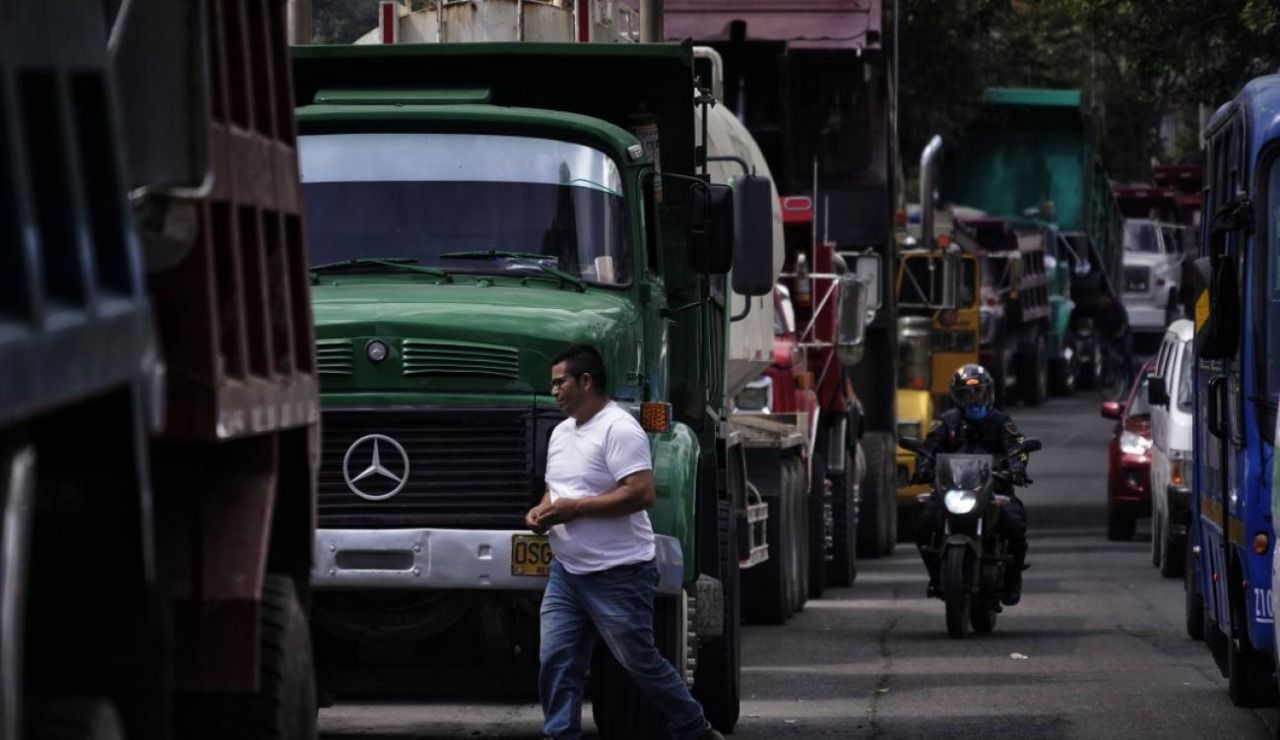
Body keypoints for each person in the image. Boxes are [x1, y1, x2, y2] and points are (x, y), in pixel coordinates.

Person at [527, 344, 723, 740]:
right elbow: (557, 489)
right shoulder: (561, 433)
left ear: (586, 381)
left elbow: (640, 493)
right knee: (557, 659)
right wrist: (541, 511)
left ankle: (693, 727)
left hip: (618, 572)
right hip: (567, 571)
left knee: (639, 662)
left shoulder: (618, 428)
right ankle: (559, 734)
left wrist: (575, 509)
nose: (554, 392)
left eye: (560, 383)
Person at [911, 364, 1030, 606]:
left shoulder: (1001, 422)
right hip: (952, 490)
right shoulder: (946, 423)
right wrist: (922, 467)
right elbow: (929, 448)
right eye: (966, 393)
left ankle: (1012, 580)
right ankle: (937, 576)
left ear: (989, 393)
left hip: (994, 489)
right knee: (923, 525)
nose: (974, 398)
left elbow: (1017, 448)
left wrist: (1016, 468)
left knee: (1014, 524)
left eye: (978, 392)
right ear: (957, 397)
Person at [1095, 291, 1136, 383]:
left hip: (1123, 333)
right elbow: (1098, 326)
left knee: (1126, 352)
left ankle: (1132, 377)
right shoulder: (1101, 310)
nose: (1101, 301)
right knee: (1105, 352)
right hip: (1109, 334)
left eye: (1103, 299)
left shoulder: (1118, 306)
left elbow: (1124, 323)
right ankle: (1104, 378)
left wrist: (1119, 334)